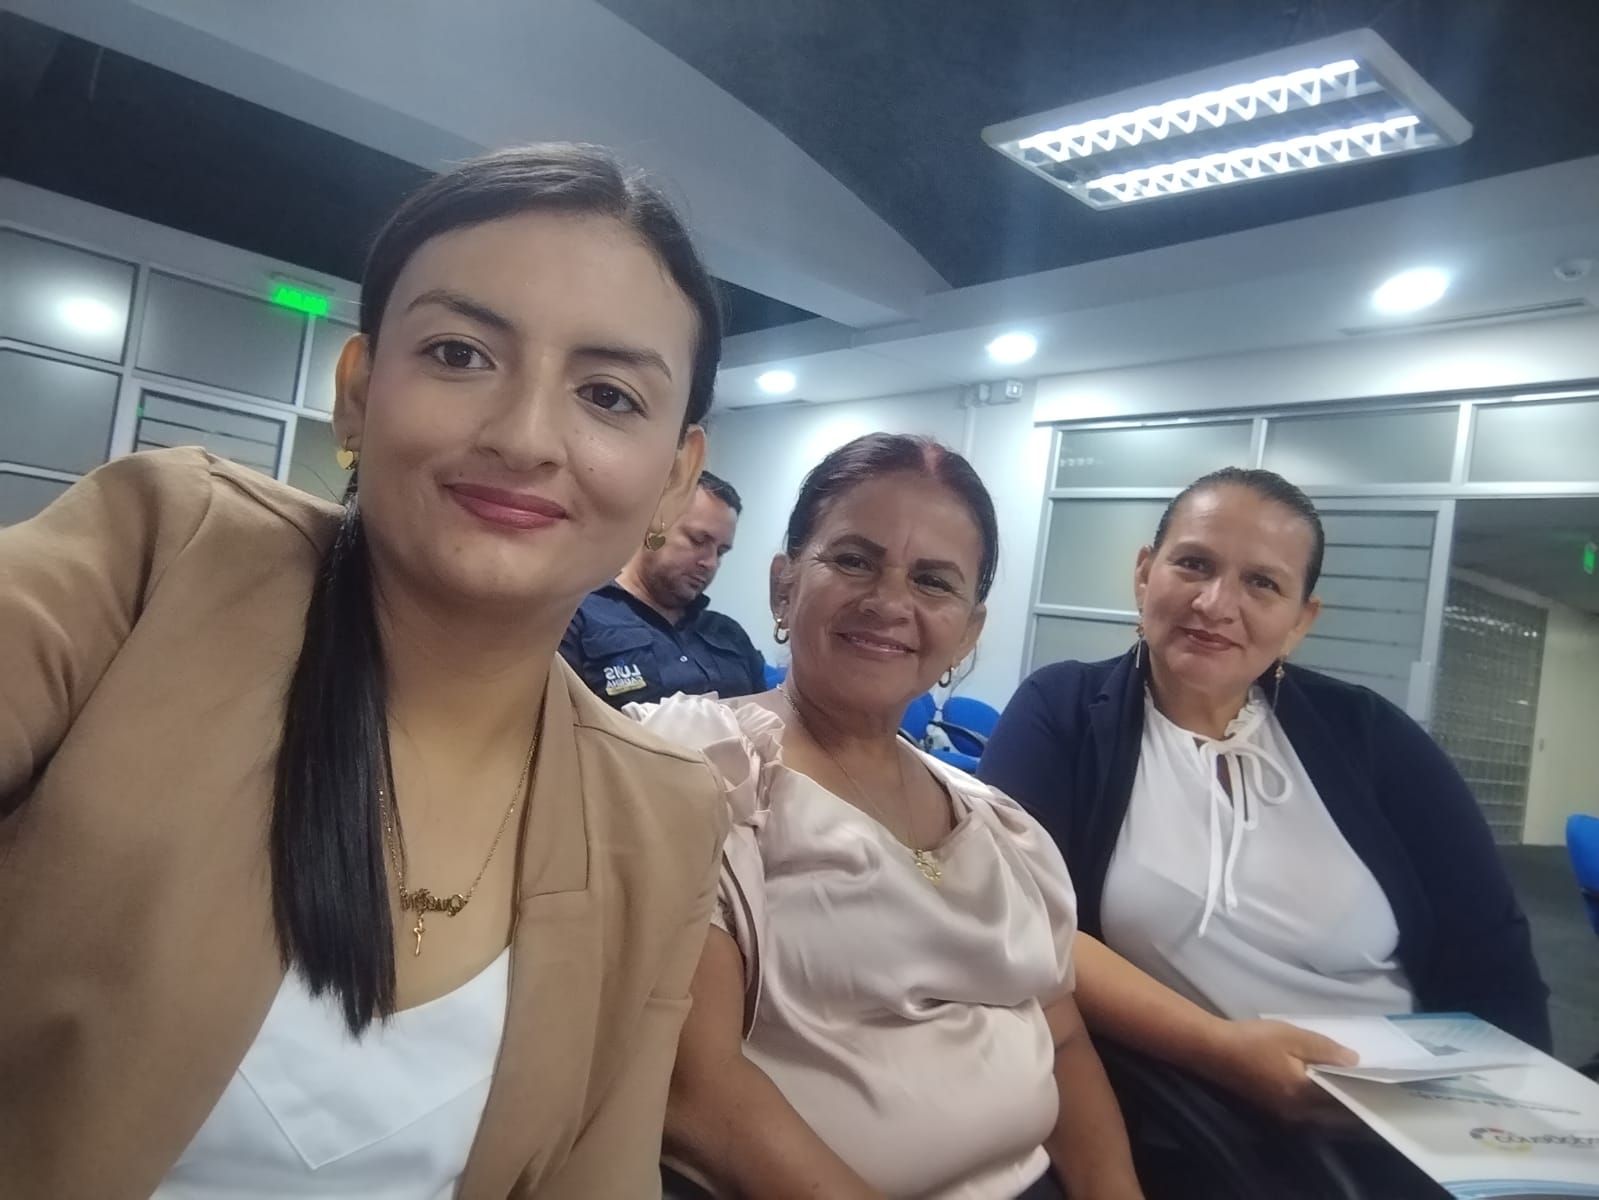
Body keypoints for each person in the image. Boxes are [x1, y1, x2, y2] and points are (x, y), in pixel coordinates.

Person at [0, 144, 730, 1199]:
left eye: (609, 395)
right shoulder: (166, 554)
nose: (525, 436)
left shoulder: (665, 815)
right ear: (357, 391)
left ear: (675, 477)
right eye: (459, 354)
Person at [632, 434, 1144, 1200]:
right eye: (853, 560)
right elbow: (696, 1094)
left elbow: (1063, 1037)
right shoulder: (703, 763)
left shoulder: (996, 824)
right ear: (782, 585)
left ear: (968, 630)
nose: (889, 601)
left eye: (933, 581)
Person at [978, 468, 1550, 1147]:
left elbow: (1493, 962)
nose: (1215, 603)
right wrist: (1217, 1048)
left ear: (1300, 620)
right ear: (1144, 573)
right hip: (1192, 1114)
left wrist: (1501, 1127)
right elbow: (1020, 920)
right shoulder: (1063, 711)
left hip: (1410, 1110)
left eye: (1262, 583)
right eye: (1193, 564)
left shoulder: (1372, 737)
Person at [562, 469, 764, 706]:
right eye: (698, 541)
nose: (710, 562)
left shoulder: (730, 635)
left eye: (721, 552)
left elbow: (768, 720)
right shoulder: (576, 615)